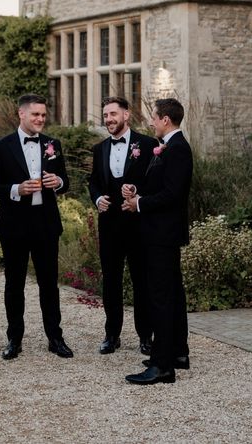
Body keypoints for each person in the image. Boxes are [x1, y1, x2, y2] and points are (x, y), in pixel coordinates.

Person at [0, 93, 73, 360]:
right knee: (14, 284)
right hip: (14, 226)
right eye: (35, 114)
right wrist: (16, 189)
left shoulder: (52, 144)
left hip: (46, 224)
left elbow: (66, 182)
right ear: (21, 114)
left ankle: (55, 338)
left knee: (49, 284)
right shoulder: (2, 146)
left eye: (43, 115)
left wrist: (57, 182)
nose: (40, 119)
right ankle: (14, 339)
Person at [121, 97, 192, 385]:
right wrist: (136, 188)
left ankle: (162, 367)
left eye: (153, 117)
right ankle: (177, 352)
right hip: (161, 233)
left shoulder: (177, 149)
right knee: (172, 293)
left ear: (165, 119)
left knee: (161, 298)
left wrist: (139, 204)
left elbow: (173, 194)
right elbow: (160, 185)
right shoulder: (170, 147)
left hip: (162, 234)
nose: (150, 122)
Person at [88, 96, 155, 355]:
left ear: (126, 115)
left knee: (142, 281)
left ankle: (145, 337)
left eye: (113, 114)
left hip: (138, 225)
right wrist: (97, 198)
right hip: (110, 226)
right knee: (111, 282)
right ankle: (111, 334)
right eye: (105, 115)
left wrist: (137, 190)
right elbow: (93, 181)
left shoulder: (148, 145)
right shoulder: (100, 148)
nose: (109, 119)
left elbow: (155, 181)